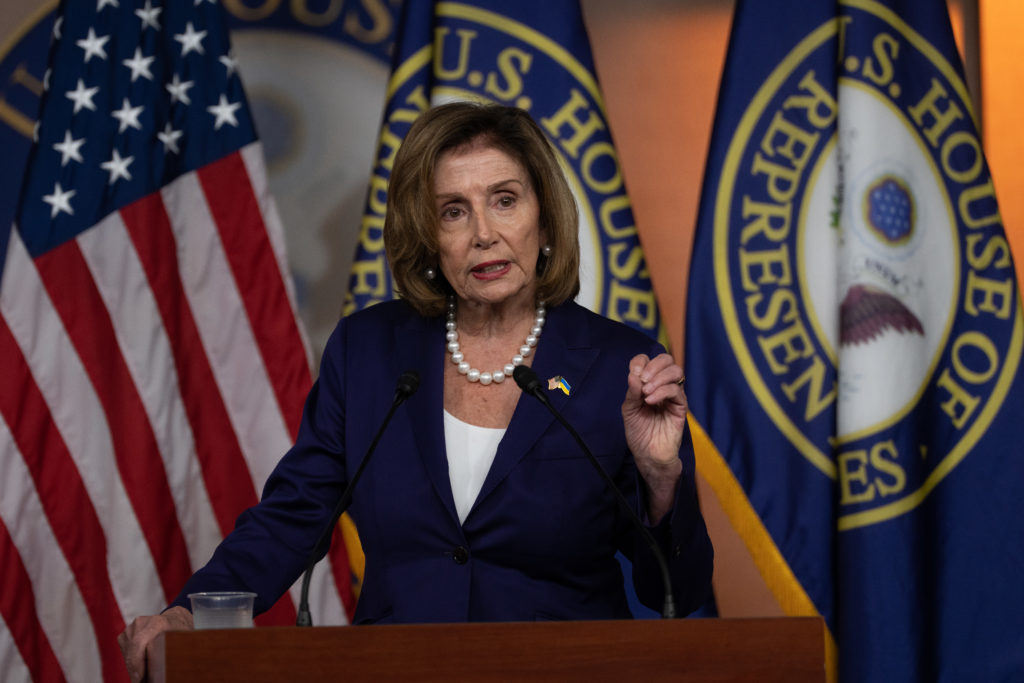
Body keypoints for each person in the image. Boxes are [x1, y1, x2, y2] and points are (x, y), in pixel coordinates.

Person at [118, 101, 713, 681]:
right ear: (427, 235)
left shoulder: (619, 363)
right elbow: (295, 514)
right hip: (395, 668)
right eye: (453, 211)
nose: (484, 233)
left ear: (545, 216)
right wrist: (187, 612)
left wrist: (662, 479)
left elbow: (678, 591)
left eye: (505, 200)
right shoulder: (369, 350)